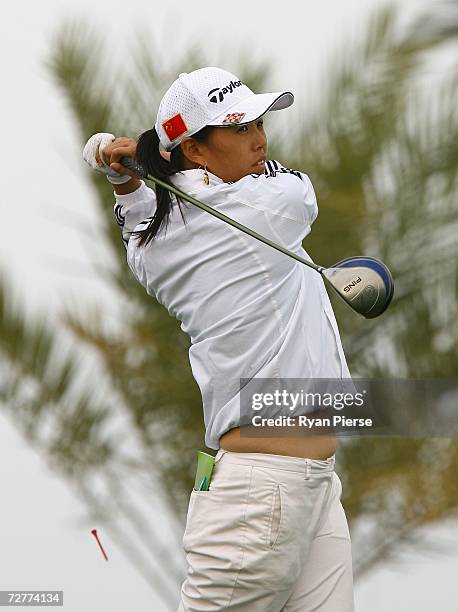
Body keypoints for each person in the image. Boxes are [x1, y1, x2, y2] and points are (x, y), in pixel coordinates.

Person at [83, 67, 354, 611]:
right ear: (199, 152)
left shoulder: (153, 246)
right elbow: (301, 191)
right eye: (240, 128)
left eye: (258, 122)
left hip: (311, 487)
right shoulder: (265, 206)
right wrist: (134, 162)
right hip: (261, 494)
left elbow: (138, 217)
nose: (260, 140)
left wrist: (123, 172)